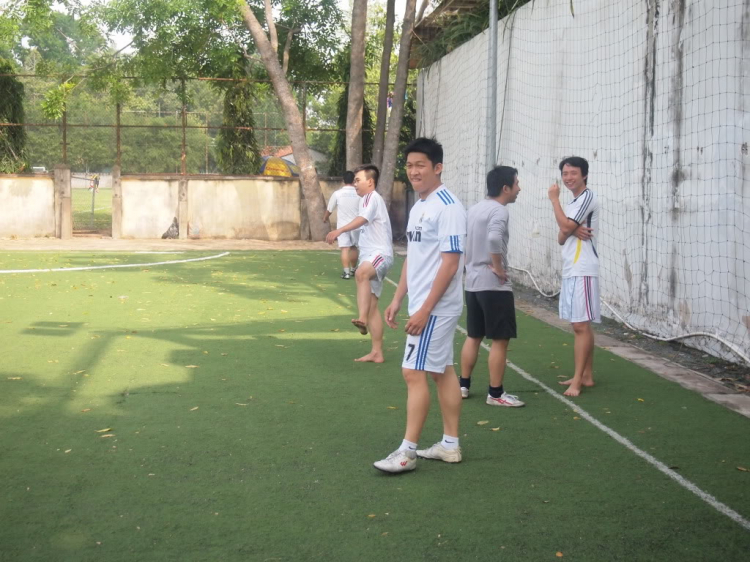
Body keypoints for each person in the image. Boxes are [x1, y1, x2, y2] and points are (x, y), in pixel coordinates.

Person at [374, 137, 466, 474]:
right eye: (410, 165)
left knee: (413, 372)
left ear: (437, 167)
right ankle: (450, 445)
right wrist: (398, 297)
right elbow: (415, 256)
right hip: (422, 302)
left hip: (436, 307)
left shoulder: (449, 206)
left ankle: (407, 452)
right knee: (443, 372)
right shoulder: (419, 206)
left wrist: (424, 309)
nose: (413, 171)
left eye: (421, 165)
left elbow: (450, 264)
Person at [459, 166, 525, 407]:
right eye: (517, 183)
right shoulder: (499, 211)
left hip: (473, 283)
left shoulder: (474, 209)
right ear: (505, 188)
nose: (519, 188)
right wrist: (497, 266)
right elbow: (494, 238)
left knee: (474, 335)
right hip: (493, 285)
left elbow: (465, 239)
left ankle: (463, 386)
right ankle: (495, 394)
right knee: (500, 339)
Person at [325, 164, 393, 363]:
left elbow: (362, 220)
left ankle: (361, 318)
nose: (355, 184)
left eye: (358, 180)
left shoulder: (373, 198)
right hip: (369, 256)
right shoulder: (364, 200)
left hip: (381, 254)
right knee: (373, 306)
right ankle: (377, 352)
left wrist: (339, 230)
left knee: (361, 273)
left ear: (370, 182)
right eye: (354, 180)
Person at [548, 156, 600, 397]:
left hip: (584, 268)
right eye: (565, 173)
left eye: (573, 173)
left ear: (584, 175)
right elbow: (561, 236)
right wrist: (570, 228)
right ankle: (586, 375)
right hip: (572, 267)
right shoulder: (572, 203)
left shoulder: (587, 196)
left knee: (580, 324)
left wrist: (554, 201)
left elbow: (565, 228)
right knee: (579, 324)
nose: (568, 178)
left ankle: (578, 380)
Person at [323, 171, 360, 279]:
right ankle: (353, 269)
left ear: (343, 180)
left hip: (342, 227)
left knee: (345, 248)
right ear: (354, 180)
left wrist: (325, 218)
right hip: (356, 225)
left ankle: (346, 272)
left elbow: (330, 209)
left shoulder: (337, 193)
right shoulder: (358, 193)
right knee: (354, 248)